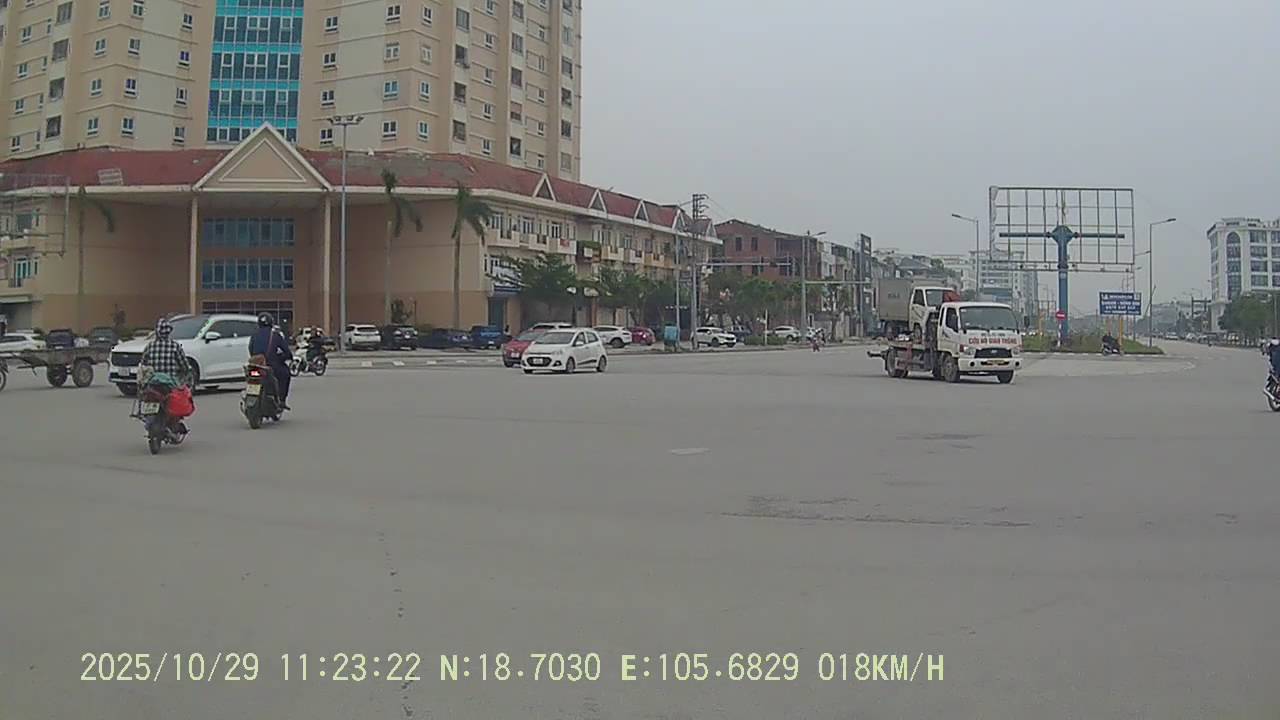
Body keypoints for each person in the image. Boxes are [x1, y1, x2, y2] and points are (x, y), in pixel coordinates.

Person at [138, 317, 193, 434]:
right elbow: (184, 365)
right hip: (170, 383)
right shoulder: (175, 346)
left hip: (152, 382)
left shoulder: (150, 346)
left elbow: (143, 363)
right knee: (177, 398)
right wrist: (186, 372)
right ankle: (173, 422)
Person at [249, 313, 293, 410]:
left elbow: (251, 350)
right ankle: (282, 400)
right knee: (285, 374)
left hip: (256, 365)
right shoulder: (275, 335)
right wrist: (283, 357)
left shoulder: (254, 335)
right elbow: (287, 352)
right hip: (271, 365)